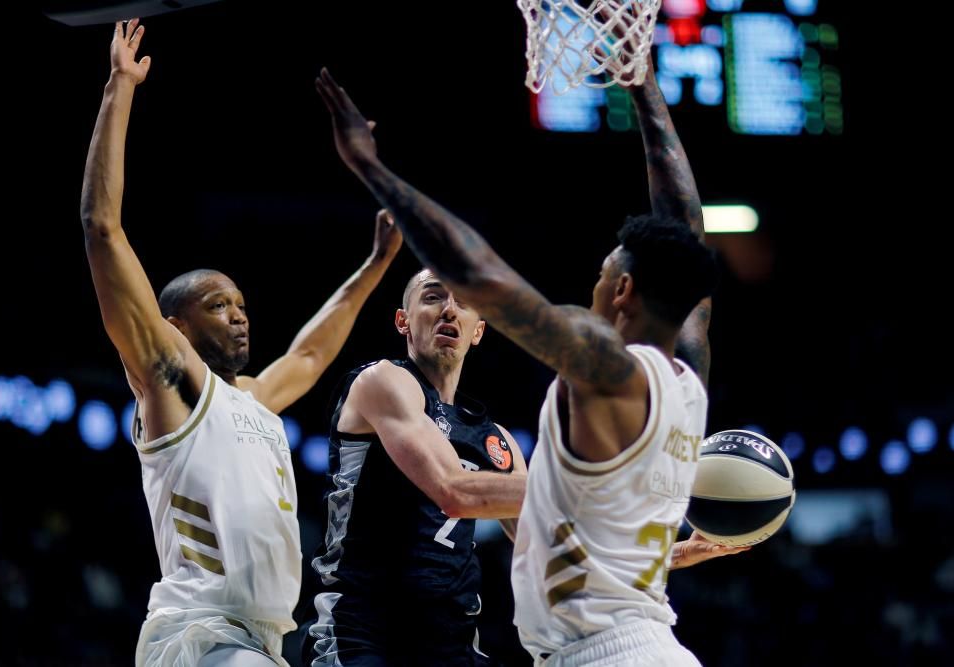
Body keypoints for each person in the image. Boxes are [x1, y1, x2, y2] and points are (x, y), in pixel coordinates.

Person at [314, 52, 743, 665]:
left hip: (601, 655)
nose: (592, 290)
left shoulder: (604, 365)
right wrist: (642, 84)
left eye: (601, 277)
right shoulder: (686, 382)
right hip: (645, 640)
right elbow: (686, 230)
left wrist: (370, 167)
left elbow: (480, 274)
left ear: (622, 292)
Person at [80, 21, 402, 666]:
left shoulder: (252, 399)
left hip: (260, 641)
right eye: (217, 305)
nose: (237, 316)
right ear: (175, 326)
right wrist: (120, 87)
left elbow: (309, 355)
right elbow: (102, 227)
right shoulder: (171, 383)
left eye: (242, 305)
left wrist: (373, 266)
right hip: (202, 636)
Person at [303, 267, 529, 666]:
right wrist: (596, 482)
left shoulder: (499, 440)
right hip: (363, 631)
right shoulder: (382, 380)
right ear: (402, 321)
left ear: (477, 331)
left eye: (463, 302)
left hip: (452, 640)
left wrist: (650, 546)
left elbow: (543, 534)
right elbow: (454, 491)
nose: (449, 310)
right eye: (432, 297)